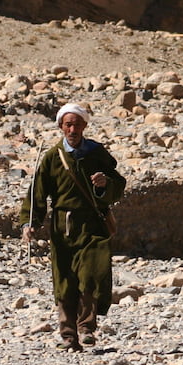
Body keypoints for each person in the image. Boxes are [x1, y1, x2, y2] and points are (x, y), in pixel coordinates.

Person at [20, 103, 126, 351]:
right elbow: (37, 193)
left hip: (92, 224)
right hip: (63, 227)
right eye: (68, 124)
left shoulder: (97, 153)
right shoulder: (51, 158)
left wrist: (104, 184)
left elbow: (118, 185)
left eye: (77, 124)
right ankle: (68, 335)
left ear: (85, 126)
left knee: (92, 274)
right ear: (61, 126)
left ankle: (87, 328)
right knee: (65, 279)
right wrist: (30, 222)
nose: (73, 129)